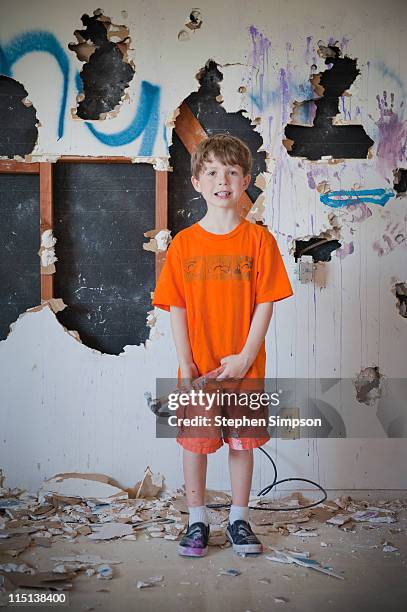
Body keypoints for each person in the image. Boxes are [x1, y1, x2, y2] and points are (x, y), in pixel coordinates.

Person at [153, 133, 293, 557]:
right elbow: (175, 306)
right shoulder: (184, 244)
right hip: (197, 370)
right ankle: (197, 520)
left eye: (232, 172)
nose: (223, 180)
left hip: (244, 367)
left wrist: (248, 355)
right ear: (197, 181)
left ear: (246, 179)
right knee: (195, 444)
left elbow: (266, 302)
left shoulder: (259, 242)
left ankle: (238, 518)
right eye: (212, 172)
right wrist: (186, 364)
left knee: (241, 443)